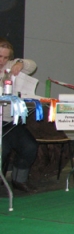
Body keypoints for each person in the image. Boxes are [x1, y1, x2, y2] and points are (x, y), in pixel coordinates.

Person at [0, 38, 39, 193]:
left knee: (29, 146)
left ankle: (19, 180)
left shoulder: (11, 66)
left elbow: (33, 65)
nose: (2, 61)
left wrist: (21, 63)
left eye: (5, 57)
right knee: (1, 150)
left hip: (11, 121)